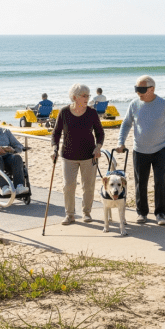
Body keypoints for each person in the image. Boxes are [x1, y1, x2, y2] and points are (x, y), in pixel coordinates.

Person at [117, 75, 165, 226]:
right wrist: (121, 142)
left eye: (142, 89)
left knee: (160, 181)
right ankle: (142, 212)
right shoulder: (134, 104)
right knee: (140, 183)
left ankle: (160, 214)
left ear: (152, 89)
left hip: (160, 150)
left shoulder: (164, 104)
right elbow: (126, 124)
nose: (138, 92)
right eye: (136, 89)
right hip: (139, 150)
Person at [51, 84, 105, 225]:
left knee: (88, 186)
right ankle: (70, 215)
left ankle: (86, 212)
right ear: (75, 97)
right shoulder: (64, 112)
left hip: (89, 155)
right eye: (84, 96)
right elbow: (56, 133)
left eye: (88, 95)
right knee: (68, 185)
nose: (87, 98)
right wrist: (54, 148)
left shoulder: (91, 113)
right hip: (68, 155)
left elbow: (100, 133)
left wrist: (98, 147)